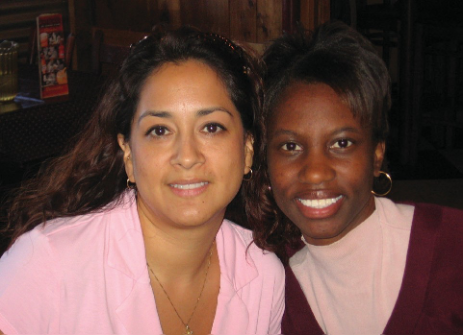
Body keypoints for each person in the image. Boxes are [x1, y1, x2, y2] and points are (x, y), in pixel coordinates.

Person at [0, 26, 285, 335]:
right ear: (128, 156)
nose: (187, 157)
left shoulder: (263, 279)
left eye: (211, 127)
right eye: (160, 131)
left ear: (247, 150)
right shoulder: (48, 264)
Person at [246, 22, 463, 334]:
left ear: (376, 154)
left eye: (341, 143)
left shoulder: (452, 247)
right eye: (290, 146)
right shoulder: (270, 291)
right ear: (266, 162)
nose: (316, 171)